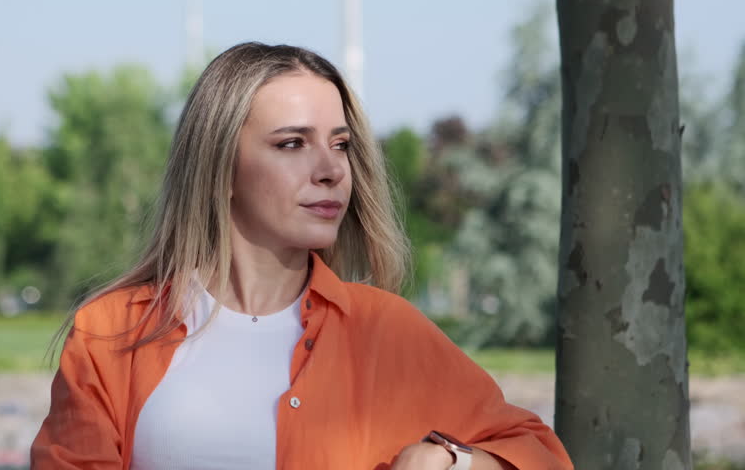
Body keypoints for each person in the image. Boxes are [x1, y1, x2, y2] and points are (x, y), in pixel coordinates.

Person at [31, 42, 573, 470]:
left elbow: (539, 454)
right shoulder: (110, 333)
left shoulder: (388, 330)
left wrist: (451, 459)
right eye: (292, 143)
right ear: (218, 168)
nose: (332, 170)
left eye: (340, 144)